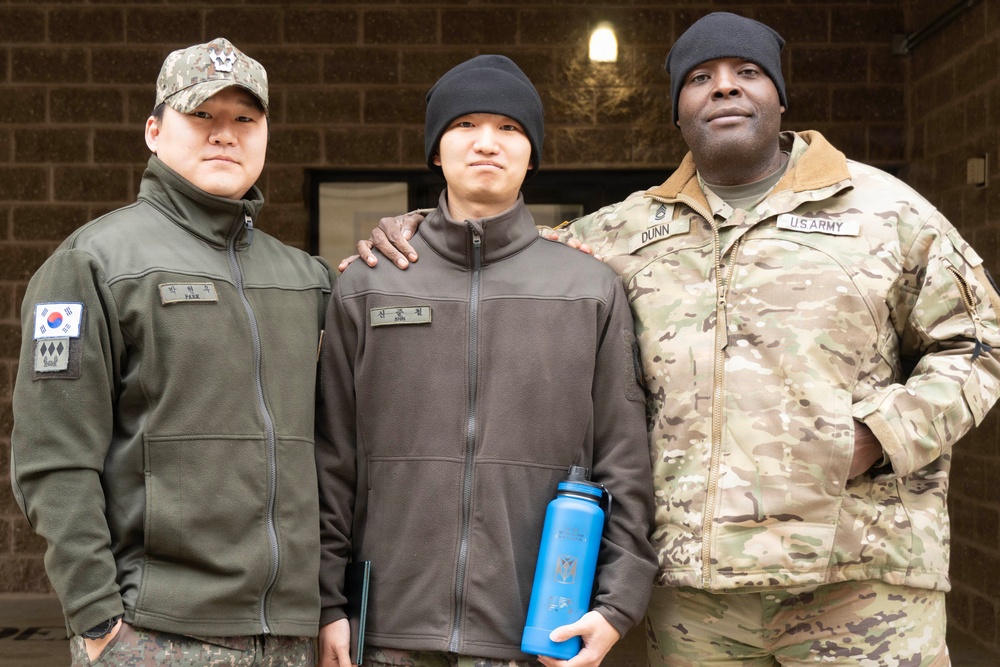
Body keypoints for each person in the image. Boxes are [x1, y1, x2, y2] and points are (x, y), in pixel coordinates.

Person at [349, 13, 1000, 666]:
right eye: (699, 78)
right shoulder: (625, 232)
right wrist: (411, 234)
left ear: (780, 98)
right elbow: (499, 244)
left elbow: (980, 345)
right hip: (696, 597)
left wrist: (880, 434)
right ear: (678, 113)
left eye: (746, 73)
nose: (723, 88)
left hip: (859, 582)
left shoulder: (887, 213)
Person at [314, 55, 657, 667]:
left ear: (532, 154)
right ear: (436, 151)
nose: (486, 143)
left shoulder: (588, 288)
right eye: (465, 124)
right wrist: (326, 604)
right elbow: (330, 458)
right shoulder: (369, 286)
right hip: (389, 632)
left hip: (538, 634)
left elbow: (624, 458)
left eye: (509, 128)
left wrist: (616, 605)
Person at [10, 38, 333, 666]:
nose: (225, 134)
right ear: (155, 131)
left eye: (245, 119)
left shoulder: (305, 279)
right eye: (201, 115)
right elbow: (53, 461)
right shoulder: (95, 264)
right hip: (158, 633)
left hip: (293, 637)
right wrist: (98, 619)